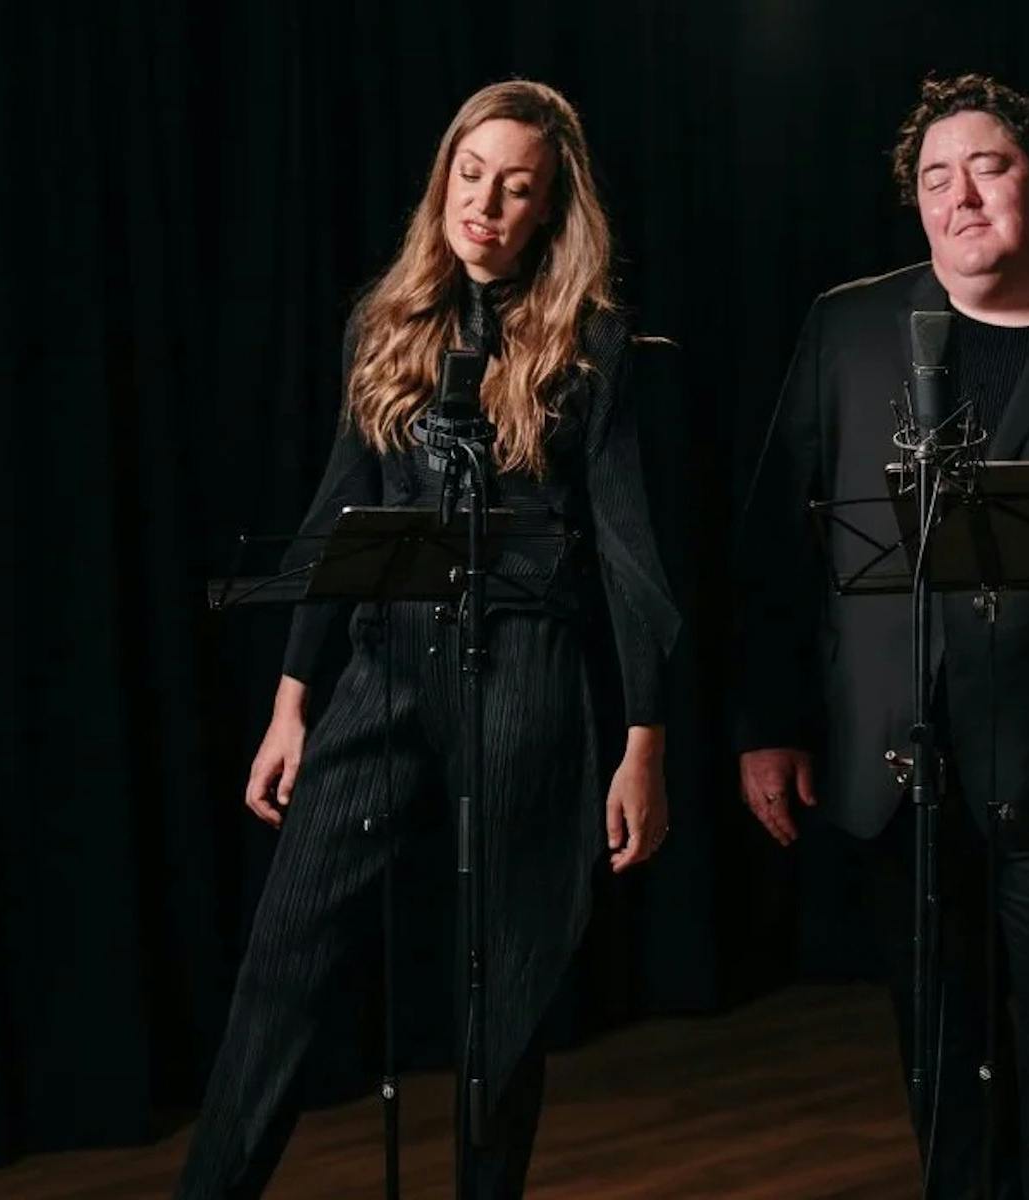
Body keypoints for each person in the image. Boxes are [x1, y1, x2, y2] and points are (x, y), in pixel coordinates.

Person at [729, 73, 1029, 1199]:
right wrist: (766, 724)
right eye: (931, 179)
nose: (958, 198)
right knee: (939, 1049)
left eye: (987, 169)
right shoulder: (849, 325)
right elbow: (775, 544)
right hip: (896, 766)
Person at [178, 80, 678, 1199]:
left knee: (506, 990)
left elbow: (631, 552)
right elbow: (335, 516)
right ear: (443, 177)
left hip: (528, 670)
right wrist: (292, 699)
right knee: (284, 957)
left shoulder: (592, 343)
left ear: (550, 209)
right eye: (471, 175)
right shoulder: (385, 318)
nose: (486, 205)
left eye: (516, 187)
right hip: (386, 660)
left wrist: (643, 738)